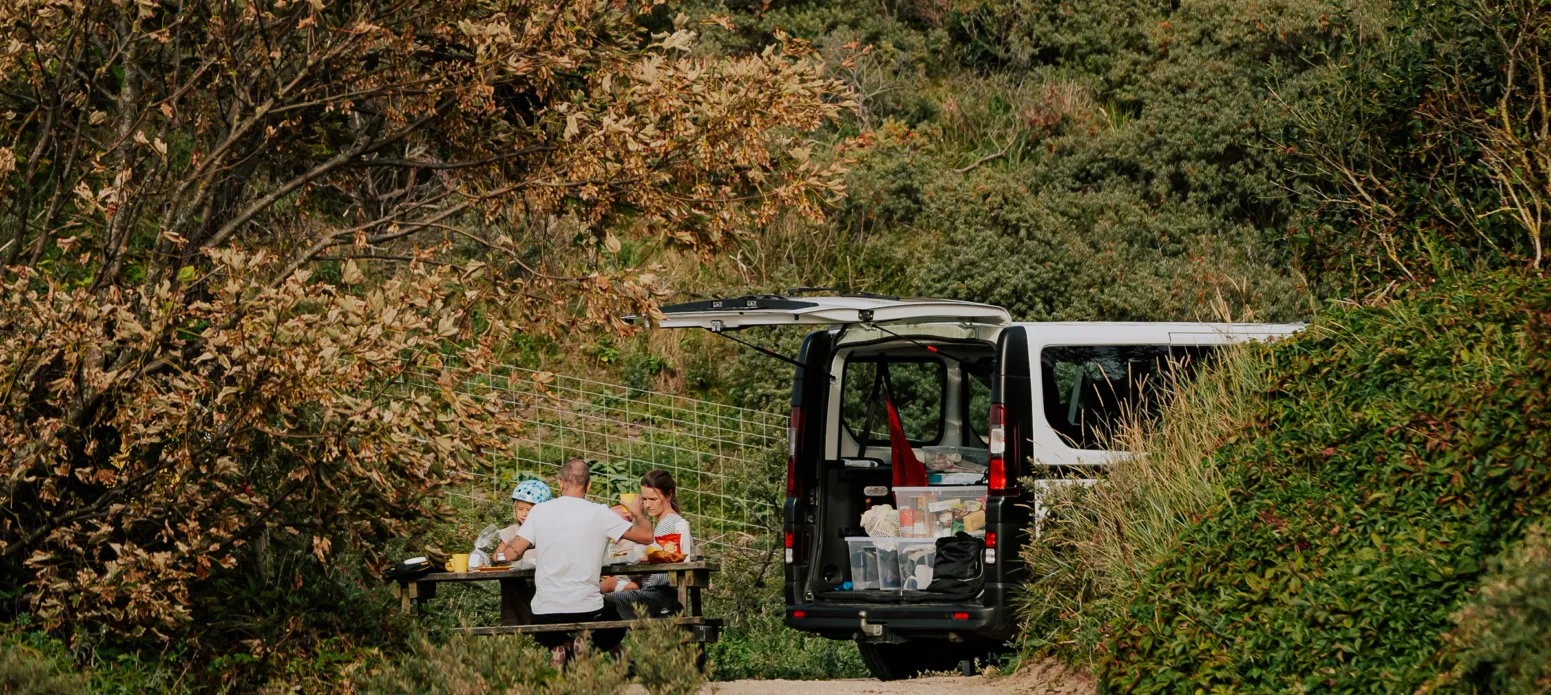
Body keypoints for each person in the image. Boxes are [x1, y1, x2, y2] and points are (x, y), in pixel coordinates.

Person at [496, 458, 653, 667]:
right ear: (589, 486)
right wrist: (636, 511)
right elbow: (647, 536)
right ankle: (587, 645)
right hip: (587, 608)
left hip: (545, 611)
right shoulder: (601, 513)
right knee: (617, 616)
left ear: (560, 483)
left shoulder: (539, 512)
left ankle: (559, 645)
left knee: (536, 610)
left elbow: (511, 554)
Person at [605, 469, 694, 620]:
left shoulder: (670, 524)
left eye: (653, 499)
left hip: (659, 597)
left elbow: (665, 570)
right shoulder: (666, 523)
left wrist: (647, 563)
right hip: (656, 594)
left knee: (601, 603)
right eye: (644, 499)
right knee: (602, 604)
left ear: (669, 495)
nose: (647, 505)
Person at [495, 479, 552, 565]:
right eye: (520, 509)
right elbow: (496, 556)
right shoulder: (511, 532)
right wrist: (501, 557)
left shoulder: (547, 532)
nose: (524, 514)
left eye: (529, 510)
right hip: (515, 576)